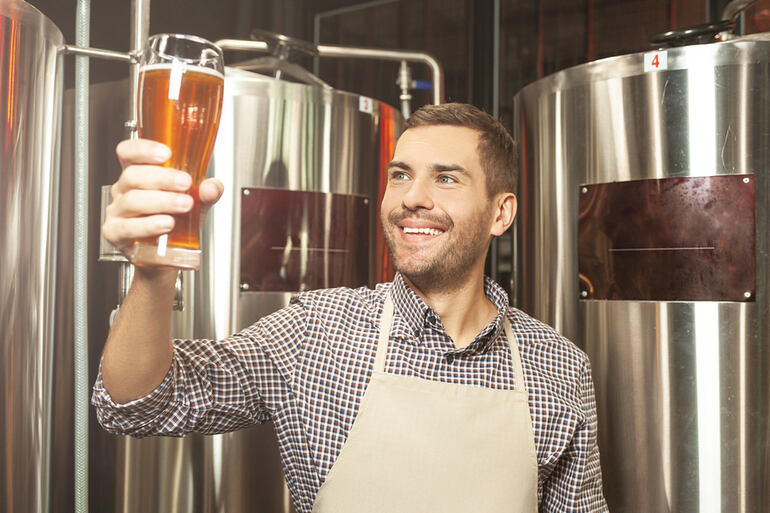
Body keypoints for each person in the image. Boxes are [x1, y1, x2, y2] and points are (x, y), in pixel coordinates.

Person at [93, 102, 608, 513]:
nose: (412, 198)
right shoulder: (315, 332)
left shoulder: (559, 367)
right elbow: (138, 405)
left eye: (446, 178)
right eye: (401, 175)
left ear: (501, 212)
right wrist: (154, 272)